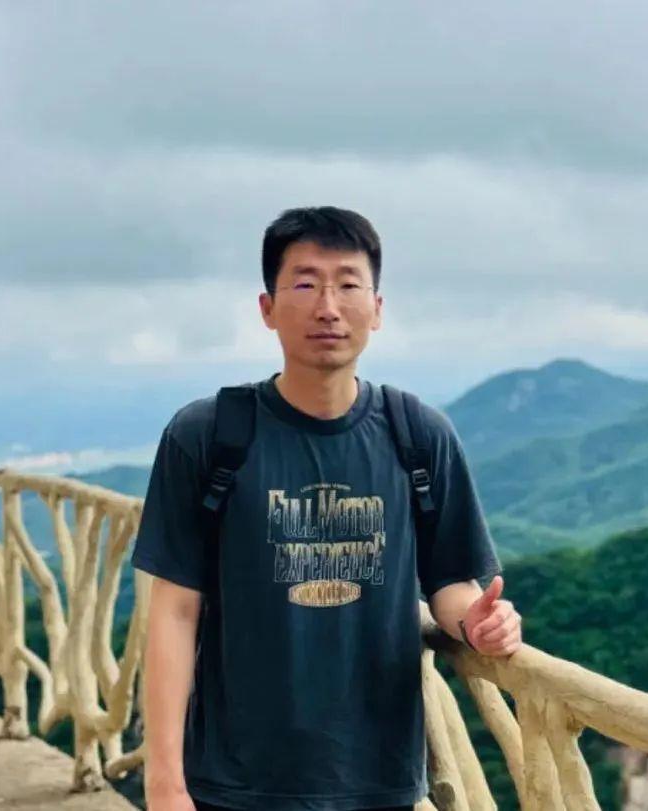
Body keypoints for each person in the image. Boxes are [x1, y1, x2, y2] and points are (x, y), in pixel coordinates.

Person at [132, 206, 523, 811]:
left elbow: (450, 581)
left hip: (378, 778)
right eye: (306, 284)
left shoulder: (418, 435)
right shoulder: (207, 436)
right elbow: (174, 612)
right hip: (234, 782)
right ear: (267, 308)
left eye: (348, 284)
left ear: (377, 307)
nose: (328, 307)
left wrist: (479, 623)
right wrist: (165, 781)